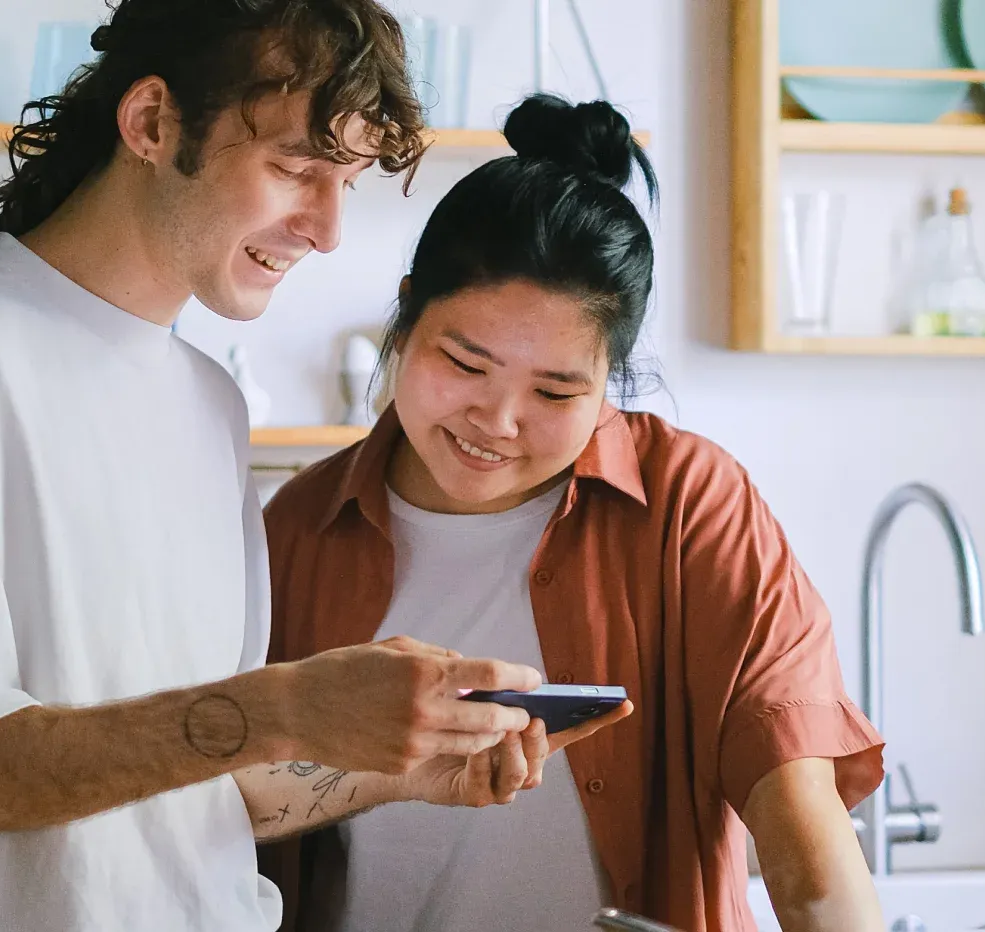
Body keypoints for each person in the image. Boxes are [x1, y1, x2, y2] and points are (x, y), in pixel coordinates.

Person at [0, 4, 622, 931]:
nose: (327, 229)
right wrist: (282, 707)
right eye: (296, 169)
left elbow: (202, 782)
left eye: (346, 182)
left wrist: (395, 770)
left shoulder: (209, 403)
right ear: (152, 122)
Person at [258, 94, 888, 932]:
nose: (498, 421)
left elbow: (798, 812)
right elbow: (228, 808)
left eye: (556, 392)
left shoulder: (690, 506)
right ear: (405, 316)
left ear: (607, 383)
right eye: (465, 364)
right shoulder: (298, 529)